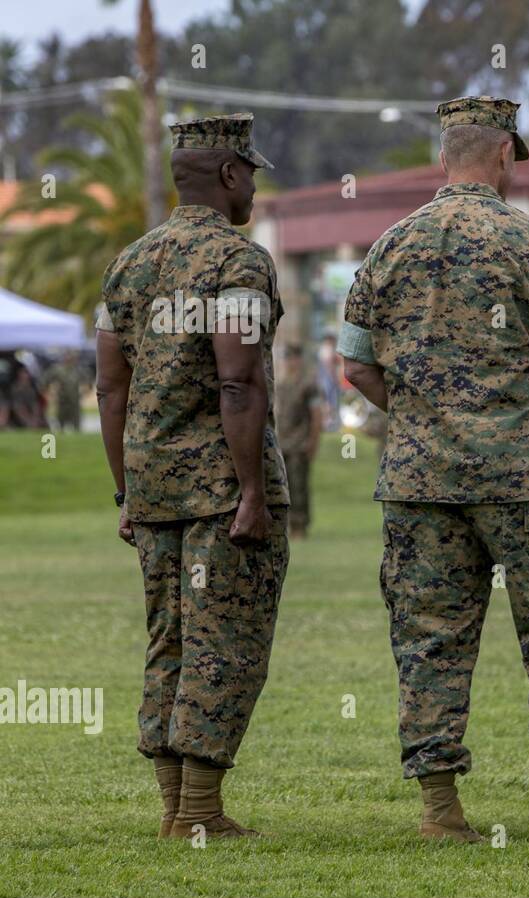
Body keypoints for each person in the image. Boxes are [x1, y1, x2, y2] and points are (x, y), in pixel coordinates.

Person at [339, 96, 529, 843]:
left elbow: (354, 364)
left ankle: (441, 813)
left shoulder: (389, 246)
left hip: (418, 482)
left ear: (445, 155)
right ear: (505, 156)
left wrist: (414, 414)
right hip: (521, 478)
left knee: (428, 639)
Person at [95, 112, 288, 839]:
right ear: (231, 175)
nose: (253, 192)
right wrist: (250, 491)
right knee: (225, 641)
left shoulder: (129, 263)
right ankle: (200, 812)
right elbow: (238, 382)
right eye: (252, 176)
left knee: (169, 640)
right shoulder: (239, 262)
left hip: (154, 491)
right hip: (218, 492)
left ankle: (176, 809)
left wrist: (127, 492)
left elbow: (109, 390)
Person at [275, 343, 323, 538]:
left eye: (294, 358)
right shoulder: (281, 384)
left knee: (299, 487)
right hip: (283, 444)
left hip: (300, 444)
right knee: (283, 487)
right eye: (288, 358)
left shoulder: (308, 384)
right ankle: (287, 524)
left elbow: (317, 416)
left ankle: (300, 525)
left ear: (300, 360)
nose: (291, 362)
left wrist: (313, 442)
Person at [45, 350, 84, 432]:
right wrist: (50, 392)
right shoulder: (58, 369)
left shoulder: (78, 370)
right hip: (63, 401)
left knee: (76, 425)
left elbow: (88, 381)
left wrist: (83, 392)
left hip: (74, 401)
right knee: (61, 423)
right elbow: (46, 380)